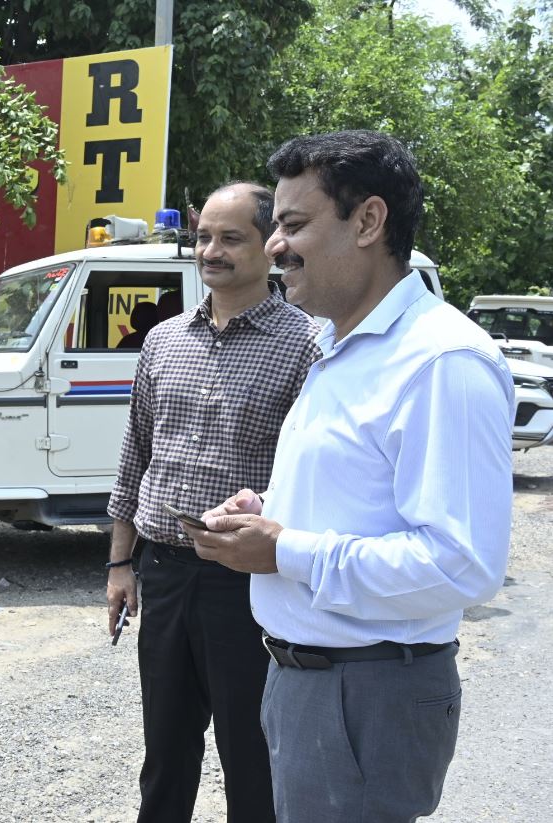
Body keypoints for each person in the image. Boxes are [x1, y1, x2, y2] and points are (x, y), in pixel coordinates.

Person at [186, 131, 514, 822]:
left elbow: (462, 562)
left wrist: (284, 550)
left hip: (366, 689)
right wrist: (269, 509)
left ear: (368, 221)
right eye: (276, 225)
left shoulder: (439, 361)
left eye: (294, 224)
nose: (274, 244)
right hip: (310, 679)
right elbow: (365, 496)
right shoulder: (339, 343)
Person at [105, 182, 320, 823]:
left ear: (269, 245)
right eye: (204, 237)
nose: (212, 251)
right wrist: (121, 565)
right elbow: (134, 456)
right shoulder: (163, 339)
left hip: (247, 584)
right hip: (164, 573)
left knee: (251, 754)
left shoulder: (306, 344)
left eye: (231, 238)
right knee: (165, 754)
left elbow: (311, 475)